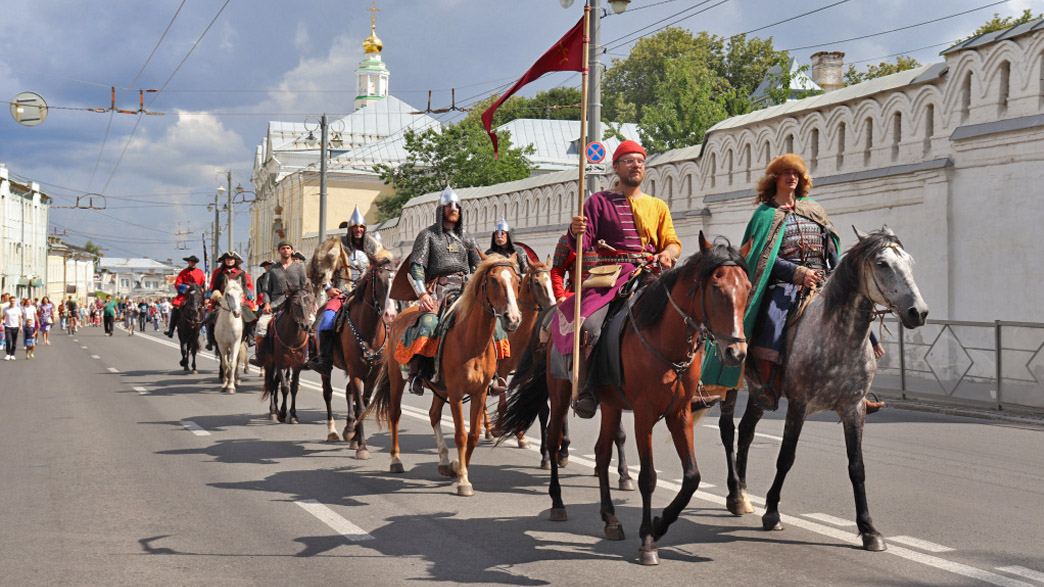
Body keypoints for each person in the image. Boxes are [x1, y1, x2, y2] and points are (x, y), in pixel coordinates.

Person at [700, 153, 886, 414]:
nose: (792, 177)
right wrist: (797, 273)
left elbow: (829, 245)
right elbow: (762, 257)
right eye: (786, 173)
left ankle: (856, 391)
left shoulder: (814, 209)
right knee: (773, 322)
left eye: (796, 174)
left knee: (856, 315)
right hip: (785, 286)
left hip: (822, 281)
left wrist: (837, 273)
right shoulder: (765, 214)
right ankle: (767, 386)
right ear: (775, 179)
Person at [558, 140, 682, 418]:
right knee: (590, 325)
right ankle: (588, 388)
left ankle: (692, 387)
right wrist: (575, 230)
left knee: (690, 313)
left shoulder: (658, 205)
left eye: (640, 161)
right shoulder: (598, 202)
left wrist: (666, 253)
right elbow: (583, 243)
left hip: (652, 274)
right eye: (628, 161)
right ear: (616, 167)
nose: (636, 165)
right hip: (612, 278)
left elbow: (673, 242)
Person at [392, 185, 482, 395]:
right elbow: (417, 267)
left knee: (490, 322)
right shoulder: (428, 236)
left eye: (457, 206)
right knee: (428, 323)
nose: (454, 208)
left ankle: (494, 373)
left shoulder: (467, 238)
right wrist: (423, 294)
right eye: (449, 205)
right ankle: (418, 374)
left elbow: (478, 267)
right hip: (438, 290)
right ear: (441, 209)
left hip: (464, 289)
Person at [305, 206, 382, 375]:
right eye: (355, 227)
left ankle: (389, 358)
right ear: (350, 229)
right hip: (342, 293)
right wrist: (329, 288)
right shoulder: (337, 247)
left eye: (361, 227)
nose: (359, 230)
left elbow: (380, 268)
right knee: (327, 320)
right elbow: (321, 270)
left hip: (365, 294)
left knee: (387, 320)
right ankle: (324, 360)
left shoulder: (372, 247)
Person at [250, 241, 308, 366]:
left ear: (292, 251)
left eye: (288, 248)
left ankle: (310, 356)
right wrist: (266, 304)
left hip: (296, 303)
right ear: (279, 251)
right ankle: (260, 356)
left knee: (312, 325)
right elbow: (266, 289)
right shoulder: (272, 269)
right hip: (276, 303)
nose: (285, 250)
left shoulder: (299, 267)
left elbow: (305, 287)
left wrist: (306, 304)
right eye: (283, 248)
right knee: (261, 326)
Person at [204, 251, 255, 351]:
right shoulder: (220, 274)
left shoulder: (241, 274)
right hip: (222, 300)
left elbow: (244, 288)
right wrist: (217, 297)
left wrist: (242, 298)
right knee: (209, 318)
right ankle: (210, 341)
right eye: (228, 259)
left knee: (250, 317)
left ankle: (250, 337)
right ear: (225, 261)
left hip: (238, 300)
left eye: (231, 259)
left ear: (235, 261)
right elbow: (215, 288)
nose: (230, 261)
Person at [165, 255, 207, 338]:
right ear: (188, 262)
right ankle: (171, 329)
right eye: (192, 262)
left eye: (195, 262)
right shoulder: (183, 272)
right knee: (176, 308)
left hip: (197, 296)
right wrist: (186, 287)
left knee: (205, 309)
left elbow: (203, 283)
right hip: (185, 295)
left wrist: (203, 288)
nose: (193, 263)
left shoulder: (200, 272)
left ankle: (206, 328)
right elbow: (178, 284)